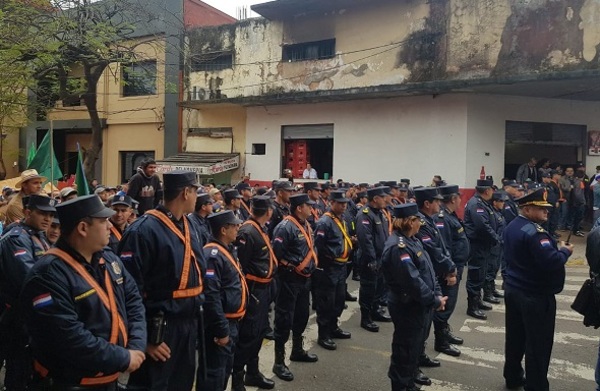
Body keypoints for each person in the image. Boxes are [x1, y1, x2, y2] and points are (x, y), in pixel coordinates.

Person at [20, 195, 147, 389]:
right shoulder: (48, 274)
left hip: (108, 380)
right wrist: (122, 357)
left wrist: (136, 345)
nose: (109, 226)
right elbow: (68, 337)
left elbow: (133, 301)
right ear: (82, 228)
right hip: (68, 383)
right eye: (103, 221)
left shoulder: (109, 260)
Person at [118, 170, 204, 390]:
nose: (197, 198)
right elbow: (128, 292)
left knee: (182, 383)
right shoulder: (143, 231)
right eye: (195, 192)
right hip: (160, 328)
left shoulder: (189, 225)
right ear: (186, 192)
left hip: (188, 324)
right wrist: (143, 339)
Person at [503, 188, 574, 390]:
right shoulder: (535, 233)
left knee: (515, 338)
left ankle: (513, 376)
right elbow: (551, 262)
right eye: (540, 208)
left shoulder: (512, 226)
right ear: (526, 209)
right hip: (534, 295)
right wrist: (564, 252)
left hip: (514, 289)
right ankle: (536, 385)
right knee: (538, 344)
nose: (546, 212)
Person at [382, 203, 447, 391]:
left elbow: (428, 269)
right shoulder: (398, 247)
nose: (421, 223)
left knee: (414, 347)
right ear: (410, 222)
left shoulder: (413, 240)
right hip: (407, 305)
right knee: (405, 349)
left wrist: (437, 293)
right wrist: (434, 300)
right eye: (418, 220)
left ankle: (408, 382)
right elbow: (413, 282)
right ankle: (401, 385)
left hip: (419, 304)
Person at [0, 195, 56, 390]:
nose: (48, 219)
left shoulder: (40, 236)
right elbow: (29, 279)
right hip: (15, 318)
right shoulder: (16, 238)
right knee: (18, 371)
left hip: (30, 317)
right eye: (42, 213)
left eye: (51, 215)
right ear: (27, 212)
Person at [197, 210, 246, 390]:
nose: (238, 228)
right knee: (214, 374)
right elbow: (211, 297)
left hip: (231, 321)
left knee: (224, 371)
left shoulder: (227, 250)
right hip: (220, 324)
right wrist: (221, 329)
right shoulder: (213, 254)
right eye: (234, 226)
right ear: (223, 230)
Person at [271, 193, 319, 382]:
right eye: (309, 205)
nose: (311, 208)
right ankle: (278, 361)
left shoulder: (306, 225)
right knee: (284, 320)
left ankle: (297, 350)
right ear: (299, 208)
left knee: (301, 316)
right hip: (289, 281)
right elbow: (277, 254)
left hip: (304, 280)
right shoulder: (285, 227)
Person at [232, 196, 277, 391]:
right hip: (253, 291)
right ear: (268, 212)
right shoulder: (248, 231)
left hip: (264, 290)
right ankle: (237, 381)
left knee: (258, 334)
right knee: (247, 337)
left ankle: (253, 372)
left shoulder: (260, 228)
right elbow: (241, 265)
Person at [413, 187, 456, 381]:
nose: (440, 204)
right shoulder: (420, 223)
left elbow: (442, 246)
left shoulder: (430, 220)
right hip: (426, 276)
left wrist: (449, 265)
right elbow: (431, 249)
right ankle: (413, 365)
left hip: (434, 274)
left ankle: (419, 356)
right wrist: (449, 266)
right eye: (436, 201)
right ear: (427, 204)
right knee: (418, 326)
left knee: (426, 322)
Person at [313, 191, 353, 351]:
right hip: (329, 267)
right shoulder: (325, 222)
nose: (344, 206)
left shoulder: (340, 219)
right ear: (331, 203)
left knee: (339, 300)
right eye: (340, 203)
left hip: (341, 267)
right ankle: (323, 334)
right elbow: (319, 246)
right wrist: (325, 262)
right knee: (326, 302)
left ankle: (334, 327)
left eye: (345, 203)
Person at [433, 185, 469, 358]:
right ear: (454, 199)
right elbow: (444, 247)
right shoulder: (442, 219)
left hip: (456, 266)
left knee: (451, 304)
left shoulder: (450, 216)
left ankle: (445, 332)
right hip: (449, 270)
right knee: (445, 306)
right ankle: (440, 341)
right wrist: (450, 272)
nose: (461, 200)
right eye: (459, 197)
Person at [355, 186, 391, 333]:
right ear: (375, 199)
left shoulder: (379, 213)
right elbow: (365, 240)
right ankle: (366, 318)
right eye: (383, 197)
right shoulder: (365, 214)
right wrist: (371, 259)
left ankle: (375, 311)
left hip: (380, 257)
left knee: (378, 287)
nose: (386, 200)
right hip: (369, 259)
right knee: (368, 289)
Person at [464, 179, 499, 320]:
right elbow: (482, 226)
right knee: (476, 274)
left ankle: (477, 300)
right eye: (491, 189)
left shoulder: (482, 203)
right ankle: (472, 306)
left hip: (483, 245)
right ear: (487, 191)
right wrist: (495, 238)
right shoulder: (476, 204)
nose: (493, 192)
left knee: (481, 273)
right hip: (477, 244)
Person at [483, 191, 507, 304]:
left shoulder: (498, 213)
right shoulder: (492, 214)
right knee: (490, 269)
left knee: (495, 268)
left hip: (499, 245)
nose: (503, 203)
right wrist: (497, 239)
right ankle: (487, 293)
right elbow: (490, 230)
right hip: (494, 245)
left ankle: (492, 289)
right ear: (494, 202)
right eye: (501, 201)